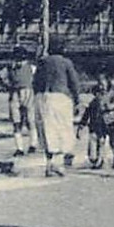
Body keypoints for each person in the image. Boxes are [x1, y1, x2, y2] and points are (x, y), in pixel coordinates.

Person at [31, 40, 82, 177]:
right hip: (60, 97)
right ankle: (58, 164)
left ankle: (49, 164)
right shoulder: (65, 62)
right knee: (62, 129)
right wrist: (77, 101)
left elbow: (35, 82)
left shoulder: (42, 62)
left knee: (47, 131)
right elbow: (74, 83)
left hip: (42, 98)